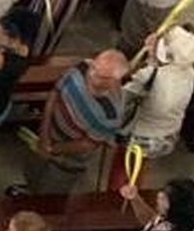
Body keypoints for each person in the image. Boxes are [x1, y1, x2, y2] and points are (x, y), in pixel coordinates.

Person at [29, 50, 128, 194]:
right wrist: (44, 135)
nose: (92, 74)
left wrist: (53, 150)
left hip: (68, 158)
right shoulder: (82, 68)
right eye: (94, 67)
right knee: (32, 172)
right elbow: (55, 93)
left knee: (50, 191)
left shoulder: (111, 114)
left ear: (114, 80)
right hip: (47, 134)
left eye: (101, 76)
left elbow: (87, 144)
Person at [120, 23, 194, 159]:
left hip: (142, 136)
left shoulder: (148, 75)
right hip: (169, 134)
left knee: (125, 164)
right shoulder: (189, 71)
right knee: (140, 165)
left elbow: (122, 98)